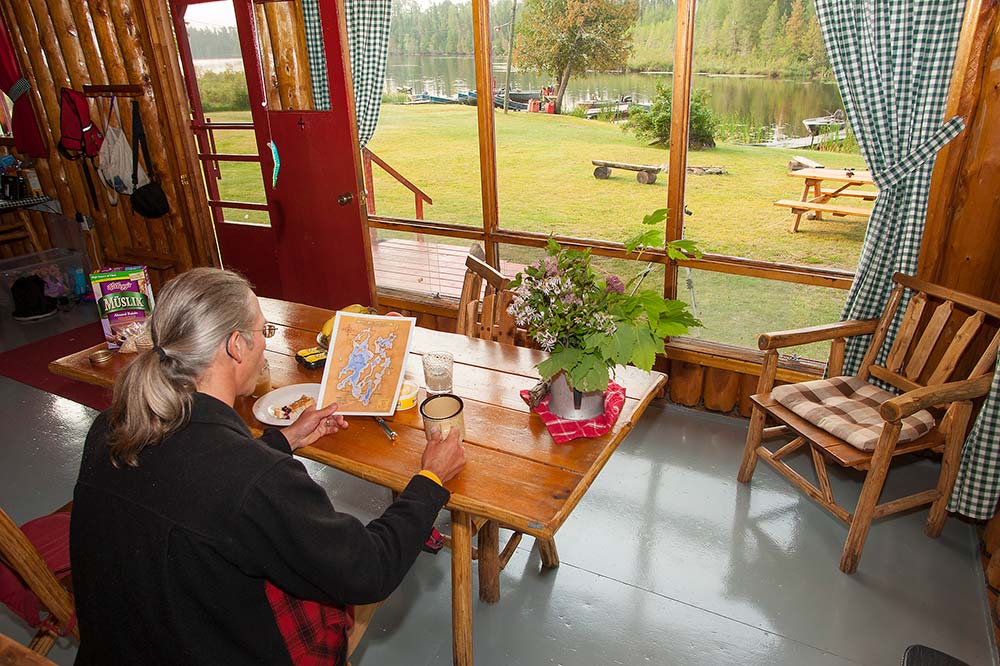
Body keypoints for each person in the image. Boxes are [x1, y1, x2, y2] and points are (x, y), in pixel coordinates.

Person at [69, 268, 465, 665]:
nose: (264, 344)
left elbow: (201, 484)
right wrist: (429, 480)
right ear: (236, 345)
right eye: (264, 332)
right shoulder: (252, 478)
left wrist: (283, 440)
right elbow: (369, 569)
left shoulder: (113, 426)